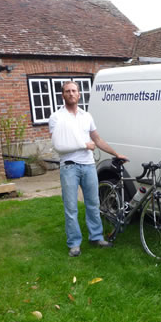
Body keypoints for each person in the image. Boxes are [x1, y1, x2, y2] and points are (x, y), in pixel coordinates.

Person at [48, 81, 127, 257]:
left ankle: (96, 237)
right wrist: (84, 145)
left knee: (93, 204)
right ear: (63, 95)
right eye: (67, 91)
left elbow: (97, 140)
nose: (71, 93)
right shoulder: (56, 117)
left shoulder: (86, 116)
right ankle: (74, 244)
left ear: (79, 94)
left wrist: (115, 153)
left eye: (74, 90)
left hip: (89, 165)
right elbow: (59, 146)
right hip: (69, 167)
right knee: (71, 207)